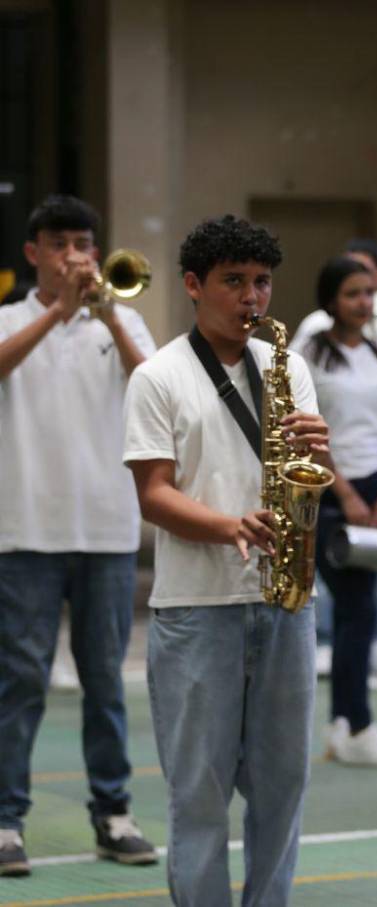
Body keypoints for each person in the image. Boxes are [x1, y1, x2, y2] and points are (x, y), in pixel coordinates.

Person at [123, 214, 331, 904]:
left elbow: (307, 476)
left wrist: (315, 453)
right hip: (195, 609)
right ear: (193, 285)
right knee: (200, 797)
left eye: (262, 282)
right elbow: (153, 494)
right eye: (233, 282)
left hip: (283, 602)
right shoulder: (158, 376)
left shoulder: (289, 365)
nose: (252, 298)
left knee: (283, 791)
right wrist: (227, 524)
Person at [0, 194, 157, 876]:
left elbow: (151, 385)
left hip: (107, 529)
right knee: (20, 681)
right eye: (60, 244)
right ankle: (5, 822)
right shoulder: (9, 318)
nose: (76, 257)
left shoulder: (122, 317)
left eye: (84, 245)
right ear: (33, 252)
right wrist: (58, 313)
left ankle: (114, 814)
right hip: (23, 527)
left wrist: (103, 312)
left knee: (105, 680)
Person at [299, 256, 377, 768]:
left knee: (360, 608)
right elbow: (308, 431)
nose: (363, 303)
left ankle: (348, 724)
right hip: (331, 491)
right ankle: (354, 724)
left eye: (368, 293)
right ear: (330, 300)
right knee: (356, 609)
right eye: (352, 294)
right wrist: (343, 494)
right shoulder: (310, 356)